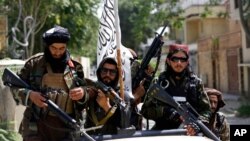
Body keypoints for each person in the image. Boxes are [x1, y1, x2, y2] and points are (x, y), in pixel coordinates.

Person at [12, 25, 87, 141]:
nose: (58, 52)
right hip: (37, 127)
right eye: (54, 48)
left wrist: (82, 94)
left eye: (62, 48)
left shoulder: (75, 67)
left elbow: (85, 96)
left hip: (66, 129)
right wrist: (30, 95)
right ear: (47, 46)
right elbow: (14, 87)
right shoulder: (34, 64)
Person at [141, 43, 211, 134]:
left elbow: (206, 110)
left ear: (187, 62)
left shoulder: (196, 83)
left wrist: (196, 125)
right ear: (169, 60)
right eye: (175, 59)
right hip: (162, 134)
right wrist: (165, 111)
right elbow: (145, 111)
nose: (179, 63)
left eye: (183, 59)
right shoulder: (159, 82)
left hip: (189, 134)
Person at [84, 57, 124, 135]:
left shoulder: (121, 95)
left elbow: (123, 123)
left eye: (112, 72)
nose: (107, 74)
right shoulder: (91, 89)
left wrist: (106, 107)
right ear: (99, 72)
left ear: (117, 75)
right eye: (104, 70)